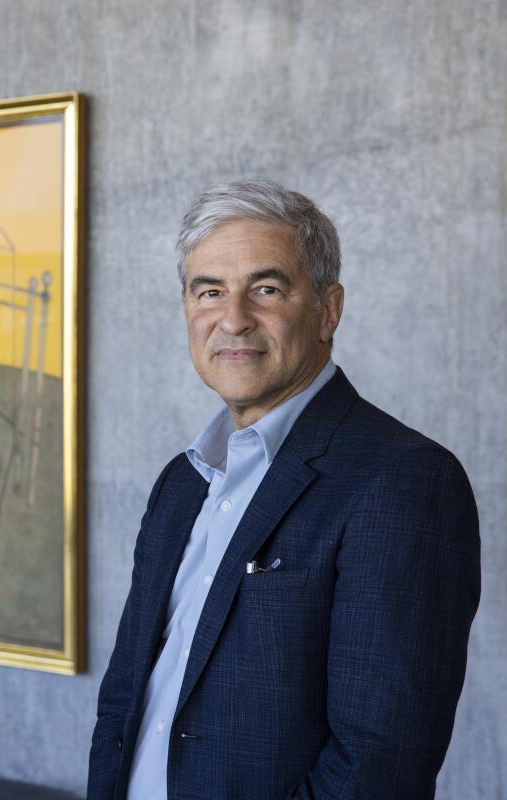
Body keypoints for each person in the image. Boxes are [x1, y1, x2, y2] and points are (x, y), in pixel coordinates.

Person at [87, 178, 480, 800]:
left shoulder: (404, 480)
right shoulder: (182, 480)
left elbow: (380, 768)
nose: (233, 318)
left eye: (266, 289)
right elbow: (126, 697)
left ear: (328, 309)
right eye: (209, 290)